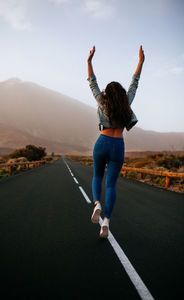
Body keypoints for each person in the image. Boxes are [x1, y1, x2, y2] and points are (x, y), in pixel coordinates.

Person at [87, 45, 145, 238]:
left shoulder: (102, 103)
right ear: (120, 94)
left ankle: (97, 204)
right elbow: (134, 84)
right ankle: (107, 222)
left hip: (102, 142)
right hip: (118, 146)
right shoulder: (126, 103)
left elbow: (93, 84)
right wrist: (140, 62)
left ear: (107, 94)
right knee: (111, 185)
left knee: (97, 176)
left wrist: (89, 62)